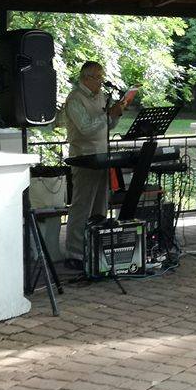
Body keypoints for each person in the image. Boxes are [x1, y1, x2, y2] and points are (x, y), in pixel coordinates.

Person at [61, 61, 131, 269]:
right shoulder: (75, 99)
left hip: (102, 158)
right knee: (82, 205)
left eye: (102, 77)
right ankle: (75, 253)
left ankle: (96, 248)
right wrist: (107, 115)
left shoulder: (100, 96)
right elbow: (85, 129)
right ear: (86, 78)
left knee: (101, 204)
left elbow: (106, 126)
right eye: (98, 77)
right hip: (83, 158)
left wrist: (116, 113)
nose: (101, 81)